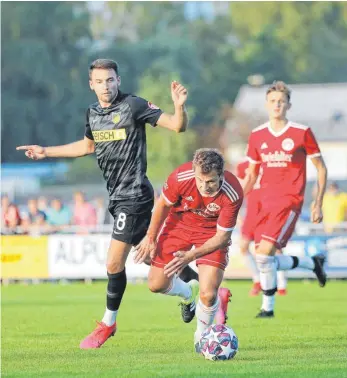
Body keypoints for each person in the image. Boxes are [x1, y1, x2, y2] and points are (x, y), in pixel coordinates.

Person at [16, 58, 197, 348]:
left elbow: (177, 126)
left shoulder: (134, 106)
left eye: (110, 80)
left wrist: (179, 106)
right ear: (91, 84)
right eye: (99, 81)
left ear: (118, 80)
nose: (105, 86)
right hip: (116, 198)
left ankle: (108, 324)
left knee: (114, 262)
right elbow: (87, 147)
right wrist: (45, 151)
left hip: (135, 195)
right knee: (156, 258)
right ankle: (198, 291)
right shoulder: (92, 114)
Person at [134, 149, 243, 351]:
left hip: (211, 233)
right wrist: (151, 237)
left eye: (210, 181)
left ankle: (202, 337)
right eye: (200, 180)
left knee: (209, 294)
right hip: (180, 224)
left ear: (221, 174)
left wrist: (191, 256)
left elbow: (222, 237)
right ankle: (187, 293)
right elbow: (163, 205)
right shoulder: (180, 177)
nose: (204, 187)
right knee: (156, 284)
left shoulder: (233, 192)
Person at [242, 81, 328, 318]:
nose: (277, 105)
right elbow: (251, 174)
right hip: (263, 203)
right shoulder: (257, 135)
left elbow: (321, 168)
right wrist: (237, 199)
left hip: (289, 200)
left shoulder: (301, 132)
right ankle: (312, 264)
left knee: (264, 253)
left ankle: (267, 309)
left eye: (281, 101)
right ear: (266, 105)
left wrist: (317, 202)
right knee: (263, 257)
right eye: (272, 101)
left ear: (288, 105)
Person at [236, 160, 287, 296]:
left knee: (272, 250)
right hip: (251, 214)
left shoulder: (271, 163)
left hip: (267, 213)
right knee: (243, 247)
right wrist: (237, 212)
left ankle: (281, 285)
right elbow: (240, 189)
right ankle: (257, 280)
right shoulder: (242, 166)